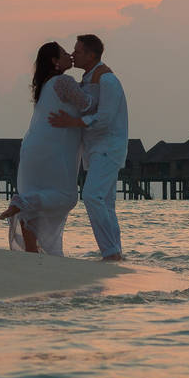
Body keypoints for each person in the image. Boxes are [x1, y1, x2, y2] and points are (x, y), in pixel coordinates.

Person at [0, 42, 89, 255]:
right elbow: (88, 105)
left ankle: (32, 252)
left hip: (32, 149)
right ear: (55, 62)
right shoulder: (64, 82)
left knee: (34, 208)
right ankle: (22, 201)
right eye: (65, 54)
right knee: (67, 197)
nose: (70, 56)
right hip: (53, 152)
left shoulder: (45, 86)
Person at [48, 33, 127, 261]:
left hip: (108, 146)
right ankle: (114, 252)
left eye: (78, 51)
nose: (73, 54)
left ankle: (111, 252)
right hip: (94, 148)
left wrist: (72, 122)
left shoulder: (107, 80)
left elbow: (106, 118)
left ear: (91, 55)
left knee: (92, 196)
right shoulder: (90, 78)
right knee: (106, 202)